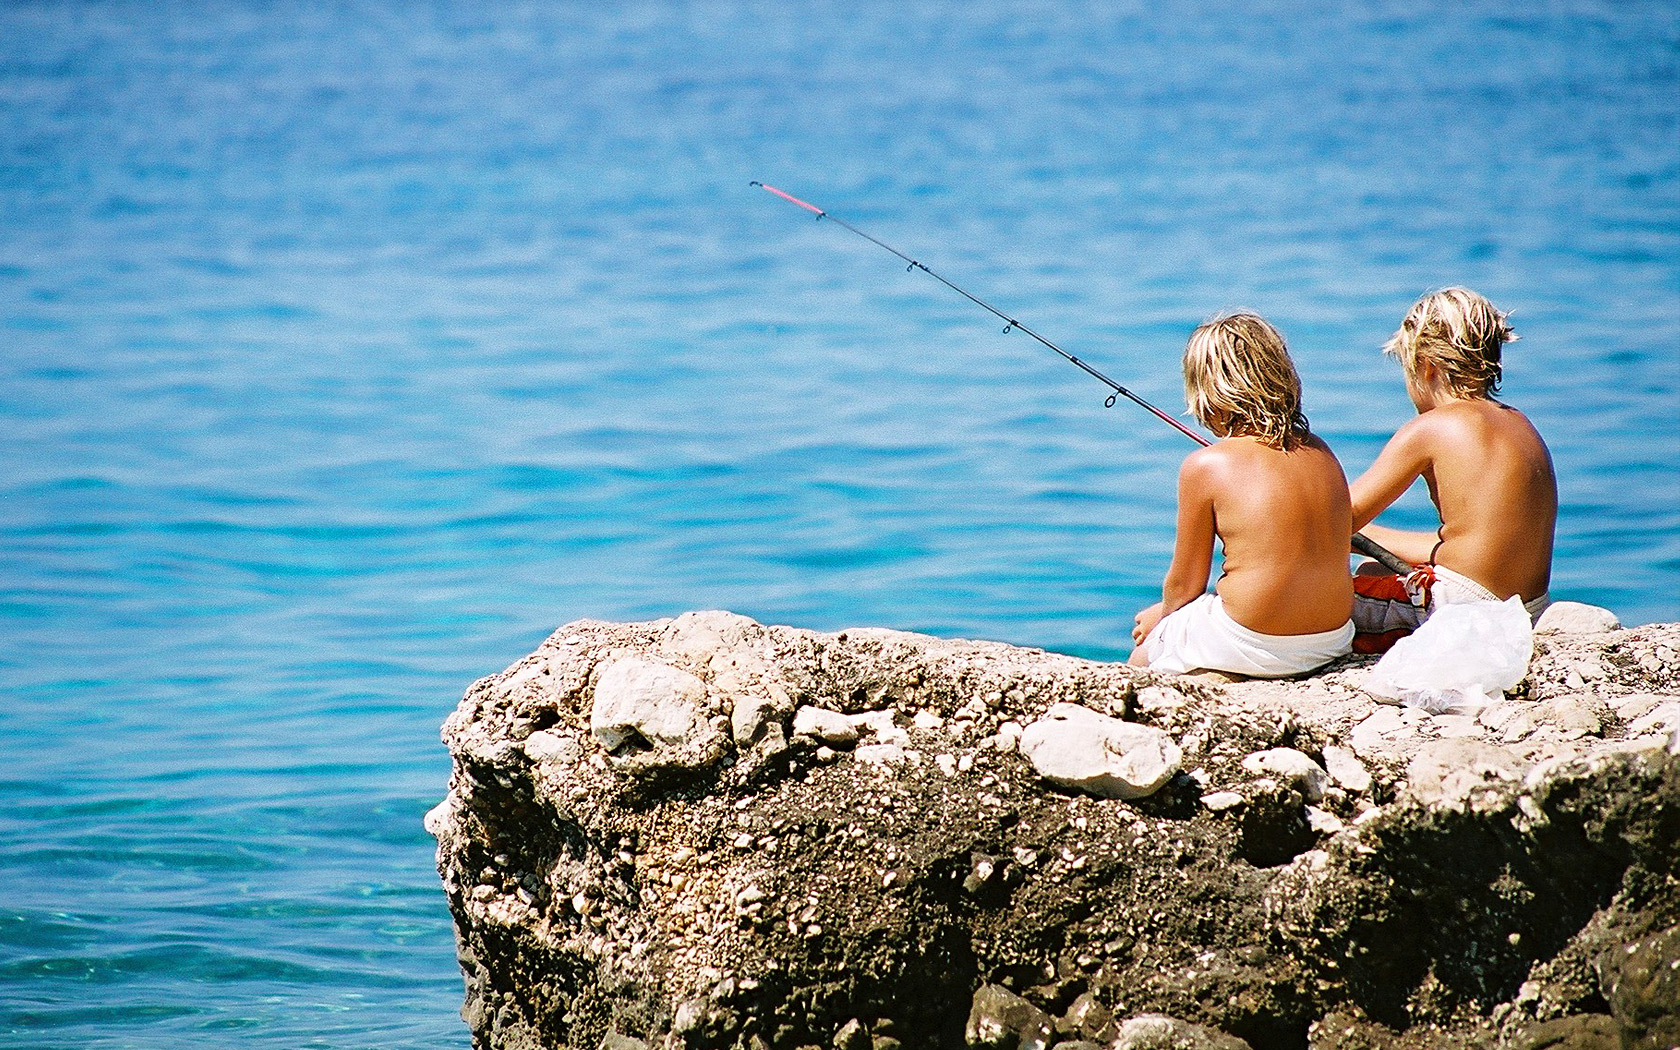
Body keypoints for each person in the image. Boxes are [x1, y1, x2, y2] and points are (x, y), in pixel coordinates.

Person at [1130, 313, 1355, 676]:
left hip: (1251, 637)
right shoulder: (1321, 450)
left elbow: (1185, 584)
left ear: (1208, 393)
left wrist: (1163, 622)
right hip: (1330, 637)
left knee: (1143, 657)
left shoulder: (1206, 465)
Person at [1349, 288, 1555, 651]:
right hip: (1526, 607)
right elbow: (1472, 544)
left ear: (1427, 366)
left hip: (1463, 609)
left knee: (1327, 596)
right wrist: (1366, 536)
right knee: (1373, 568)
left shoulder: (1431, 427)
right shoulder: (1521, 425)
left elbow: (1336, 519)